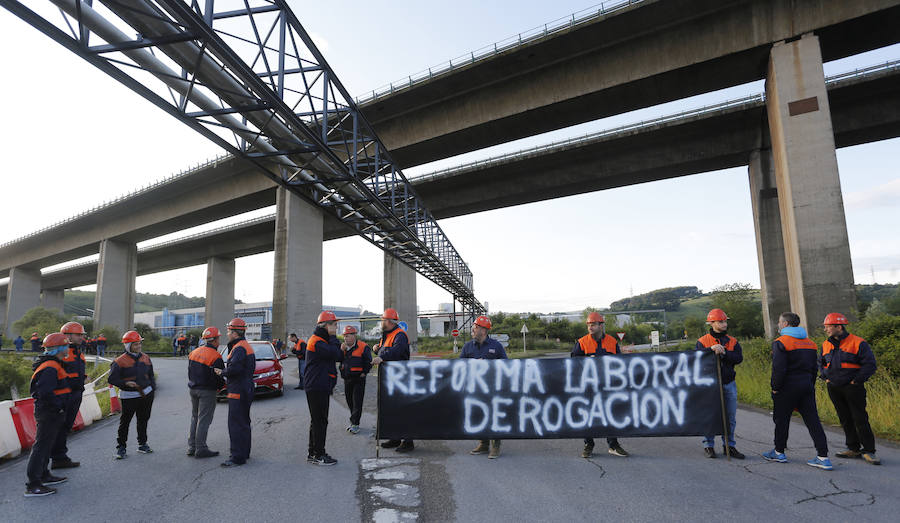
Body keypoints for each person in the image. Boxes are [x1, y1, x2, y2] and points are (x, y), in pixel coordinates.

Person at [763, 312, 832, 470]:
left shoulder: (781, 342)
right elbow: (814, 369)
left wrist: (775, 387)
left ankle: (779, 452)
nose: (778, 325)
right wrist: (810, 385)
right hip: (806, 386)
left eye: (780, 322)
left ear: (785, 324)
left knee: (782, 420)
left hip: (787, 387)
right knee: (813, 421)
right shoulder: (810, 343)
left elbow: (779, 369)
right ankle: (823, 457)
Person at [819, 312, 879, 465]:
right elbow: (820, 363)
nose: (825, 329)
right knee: (845, 418)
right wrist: (825, 377)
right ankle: (853, 448)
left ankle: (869, 451)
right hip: (834, 387)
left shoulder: (858, 343)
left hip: (853, 388)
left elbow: (870, 365)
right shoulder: (826, 344)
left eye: (828, 327)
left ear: (838, 327)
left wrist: (856, 380)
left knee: (860, 418)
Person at [572, 312, 629, 458]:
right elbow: (573, 363)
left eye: (593, 324)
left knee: (610, 414)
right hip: (588, 386)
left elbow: (620, 363)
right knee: (588, 415)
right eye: (589, 325)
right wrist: (586, 360)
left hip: (607, 385)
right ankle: (588, 444)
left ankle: (613, 445)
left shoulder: (612, 341)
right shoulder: (582, 342)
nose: (590, 327)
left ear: (601, 325)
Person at [24, 333, 71, 497]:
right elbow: (45, 392)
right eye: (66, 346)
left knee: (46, 445)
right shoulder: (50, 367)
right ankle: (33, 484)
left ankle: (44, 475)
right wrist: (58, 407)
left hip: (50, 411)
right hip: (49, 412)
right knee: (41, 446)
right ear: (60, 348)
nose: (68, 349)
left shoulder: (52, 364)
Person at [696, 309, 745, 459]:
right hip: (710, 385)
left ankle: (729, 446)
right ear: (711, 323)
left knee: (730, 417)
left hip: (728, 383)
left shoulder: (733, 341)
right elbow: (697, 359)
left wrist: (724, 352)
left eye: (725, 321)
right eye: (721, 321)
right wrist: (711, 350)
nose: (724, 324)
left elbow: (738, 358)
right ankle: (708, 445)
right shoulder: (702, 341)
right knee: (710, 415)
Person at [460, 315, 507, 459]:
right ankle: (483, 443)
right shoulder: (467, 347)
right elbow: (460, 366)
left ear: (483, 330)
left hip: (493, 388)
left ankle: (496, 446)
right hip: (474, 388)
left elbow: (506, 365)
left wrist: (486, 363)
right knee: (478, 415)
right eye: (474, 327)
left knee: (494, 415)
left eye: (475, 327)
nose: (473, 330)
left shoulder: (496, 346)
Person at [108, 331, 156, 460]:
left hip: (146, 395)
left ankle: (142, 444)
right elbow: (112, 379)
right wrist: (125, 383)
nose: (139, 346)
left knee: (143, 420)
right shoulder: (119, 362)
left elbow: (151, 375)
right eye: (135, 344)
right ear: (128, 346)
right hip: (128, 396)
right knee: (125, 422)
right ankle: (121, 447)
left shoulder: (146, 358)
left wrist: (152, 390)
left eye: (139, 343)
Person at [305, 311, 343, 466]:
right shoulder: (317, 342)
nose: (336, 327)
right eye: (334, 325)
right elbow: (335, 353)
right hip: (317, 386)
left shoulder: (322, 340)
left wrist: (333, 340)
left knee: (317, 421)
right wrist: (334, 337)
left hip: (320, 385)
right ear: (326, 326)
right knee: (320, 421)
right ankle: (318, 454)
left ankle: (313, 452)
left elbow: (339, 356)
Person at [216, 318, 255, 467]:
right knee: (244, 422)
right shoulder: (245, 345)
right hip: (246, 387)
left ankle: (237, 457)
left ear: (234, 333)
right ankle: (244, 452)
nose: (227, 333)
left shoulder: (239, 348)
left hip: (238, 389)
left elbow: (235, 369)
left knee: (235, 423)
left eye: (228, 331)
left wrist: (222, 372)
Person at [373, 307, 413, 452]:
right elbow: (386, 349)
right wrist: (377, 349)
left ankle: (408, 441)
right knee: (393, 409)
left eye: (383, 320)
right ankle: (395, 438)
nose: (381, 322)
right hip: (390, 378)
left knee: (403, 410)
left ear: (389, 321)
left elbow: (396, 351)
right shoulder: (387, 335)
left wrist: (381, 356)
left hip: (400, 378)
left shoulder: (400, 335)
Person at [50, 322, 87, 470]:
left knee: (65, 427)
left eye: (82, 335)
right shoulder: (61, 353)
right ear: (67, 335)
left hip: (76, 394)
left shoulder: (79, 352)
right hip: (64, 396)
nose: (81, 337)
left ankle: (60, 458)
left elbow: (75, 371)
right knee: (57, 428)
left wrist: (83, 376)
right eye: (78, 335)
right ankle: (50, 461)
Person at [187, 326, 225, 459]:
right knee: (204, 419)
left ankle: (192, 447)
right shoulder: (216, 356)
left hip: (193, 389)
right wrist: (222, 387)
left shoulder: (194, 352)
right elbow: (219, 377)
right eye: (219, 338)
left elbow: (189, 372)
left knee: (195, 417)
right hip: (207, 391)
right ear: (215, 340)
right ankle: (201, 448)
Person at [339, 325, 372, 435]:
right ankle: (354, 420)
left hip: (359, 379)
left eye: (348, 336)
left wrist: (364, 372)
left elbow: (368, 361)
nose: (345, 338)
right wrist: (340, 351)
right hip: (347, 379)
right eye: (344, 336)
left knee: (357, 401)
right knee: (349, 400)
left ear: (354, 336)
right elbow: (339, 360)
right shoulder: (343, 348)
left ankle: (355, 424)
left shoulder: (363, 347)